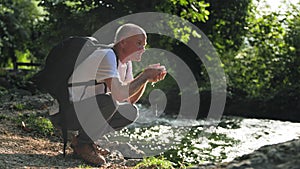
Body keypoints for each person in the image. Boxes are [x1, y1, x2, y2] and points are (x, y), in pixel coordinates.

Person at [60, 23, 167, 165]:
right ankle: (83, 145)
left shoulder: (126, 62)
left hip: (82, 112)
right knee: (109, 101)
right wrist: (144, 76)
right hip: (65, 113)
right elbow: (118, 95)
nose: (143, 49)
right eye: (139, 43)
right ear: (123, 42)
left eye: (144, 45)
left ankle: (83, 141)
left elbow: (129, 99)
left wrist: (145, 79)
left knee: (130, 111)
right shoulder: (107, 56)